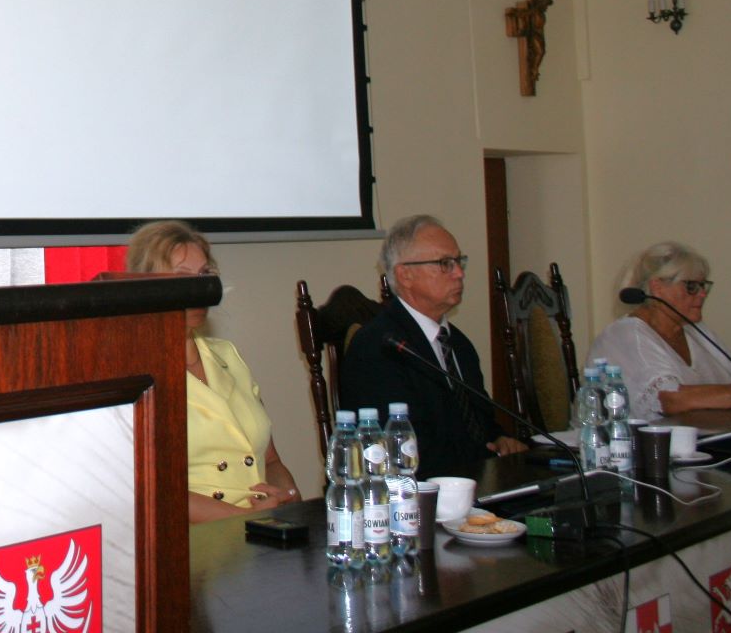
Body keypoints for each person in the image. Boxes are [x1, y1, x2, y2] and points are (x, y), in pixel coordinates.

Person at [126, 220, 302, 523]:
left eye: (204, 275)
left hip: (264, 528)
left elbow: (270, 460)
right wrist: (244, 519)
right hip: (193, 538)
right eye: (183, 277)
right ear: (145, 285)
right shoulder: (133, 373)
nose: (200, 289)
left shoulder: (227, 356)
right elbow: (150, 492)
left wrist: (289, 500)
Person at [337, 215, 528, 479]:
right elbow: (404, 452)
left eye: (459, 261)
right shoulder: (378, 348)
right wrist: (488, 463)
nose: (459, 273)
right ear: (405, 275)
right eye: (445, 264)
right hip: (418, 492)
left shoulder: (458, 344)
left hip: (473, 482)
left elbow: (481, 422)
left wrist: (501, 439)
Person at [586, 241, 731, 422]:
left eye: (703, 286)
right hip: (637, 449)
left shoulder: (695, 330)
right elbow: (672, 399)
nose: (702, 294)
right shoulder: (626, 336)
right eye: (691, 287)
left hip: (707, 442)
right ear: (657, 288)